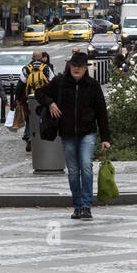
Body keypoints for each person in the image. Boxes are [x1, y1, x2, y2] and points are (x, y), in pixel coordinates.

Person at [36, 51, 112, 220]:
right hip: (67, 133)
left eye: (80, 66)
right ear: (69, 66)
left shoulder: (93, 85)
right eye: (74, 65)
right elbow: (40, 93)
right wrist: (50, 103)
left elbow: (101, 112)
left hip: (88, 132)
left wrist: (106, 138)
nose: (76, 69)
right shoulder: (60, 82)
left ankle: (86, 206)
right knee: (72, 170)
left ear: (86, 68)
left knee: (86, 165)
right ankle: (77, 206)